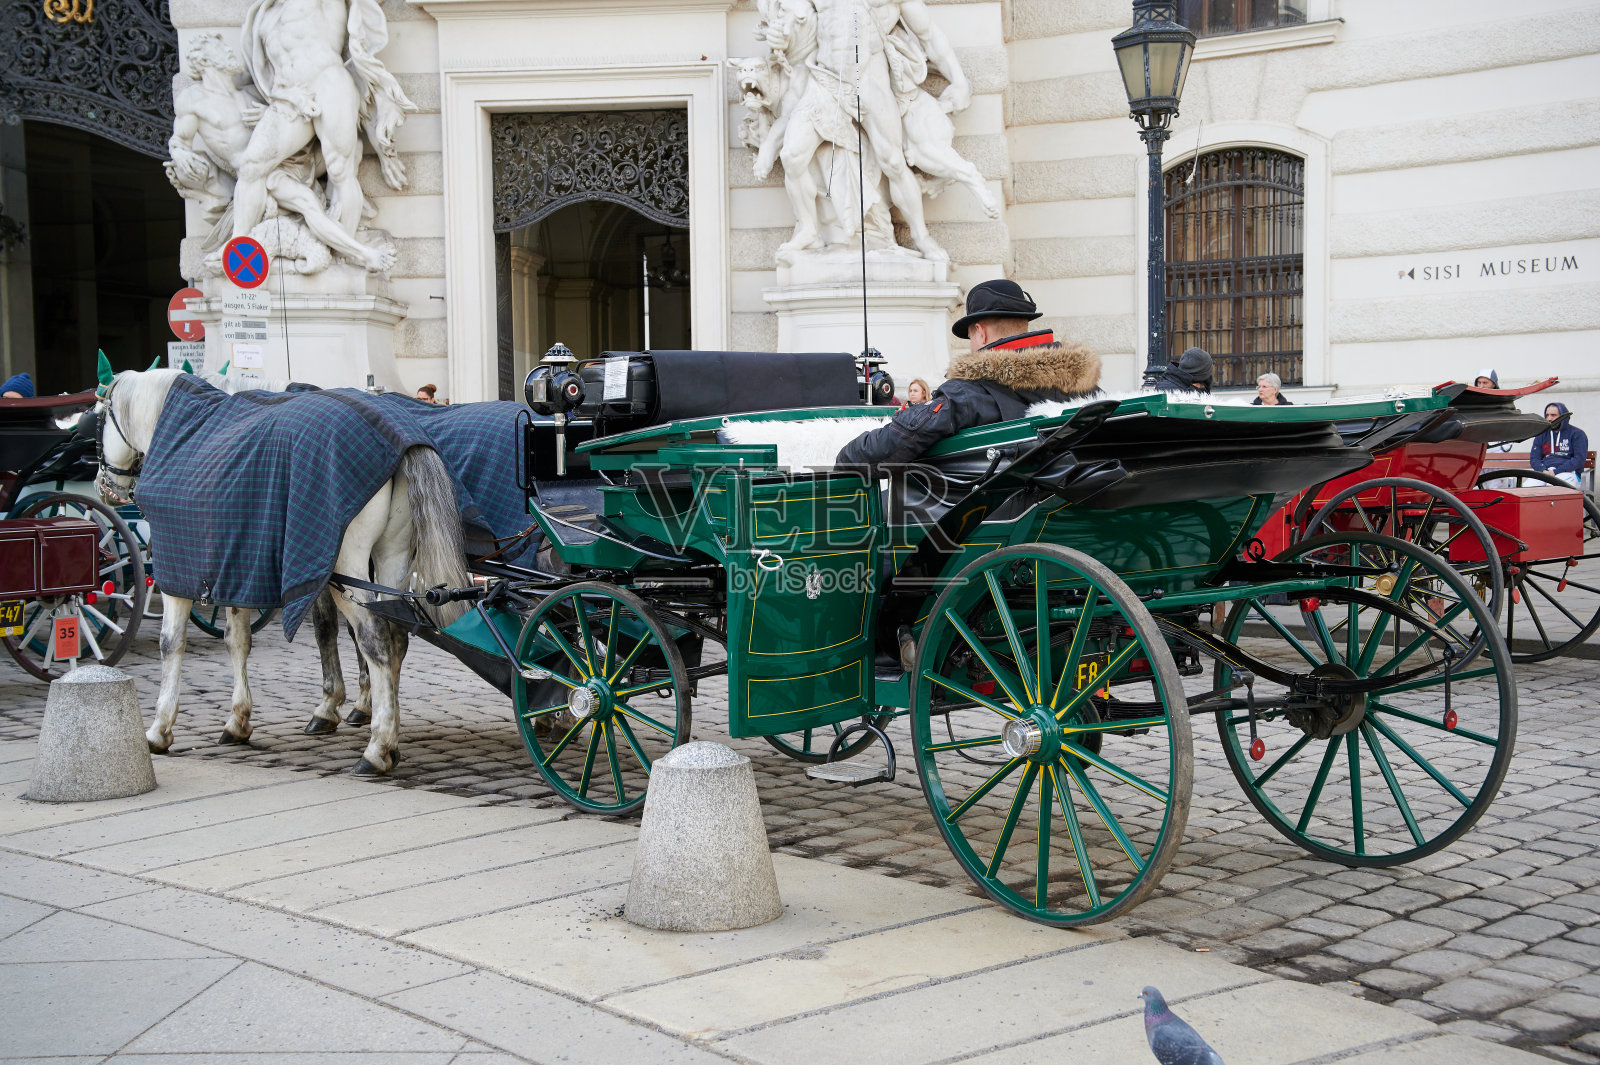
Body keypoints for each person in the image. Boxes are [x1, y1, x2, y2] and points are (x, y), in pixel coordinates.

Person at [835, 279, 1101, 469]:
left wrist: (845, 456)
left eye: (971, 336)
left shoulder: (970, 392)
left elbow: (895, 441)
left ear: (980, 331)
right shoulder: (1086, 387)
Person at [1530, 402, 1588, 488]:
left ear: (1563, 416)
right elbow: (1534, 459)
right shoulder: (1541, 435)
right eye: (1547, 415)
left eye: (1553, 415)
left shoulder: (1577, 434)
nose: (1549, 418)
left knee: (1553, 487)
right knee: (1528, 486)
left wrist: (1556, 472)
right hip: (1545, 473)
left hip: (1569, 473)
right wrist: (1543, 471)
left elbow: (1579, 460)